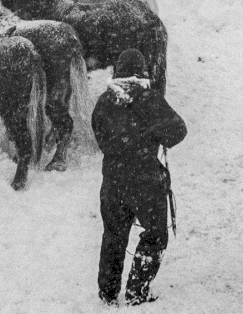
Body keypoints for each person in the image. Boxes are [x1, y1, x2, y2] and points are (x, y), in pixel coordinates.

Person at [92, 49, 187, 306]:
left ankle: (108, 293)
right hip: (145, 181)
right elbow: (179, 130)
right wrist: (154, 135)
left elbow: (99, 136)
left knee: (113, 234)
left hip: (112, 181)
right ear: (142, 72)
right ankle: (137, 291)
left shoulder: (103, 102)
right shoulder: (150, 99)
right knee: (155, 235)